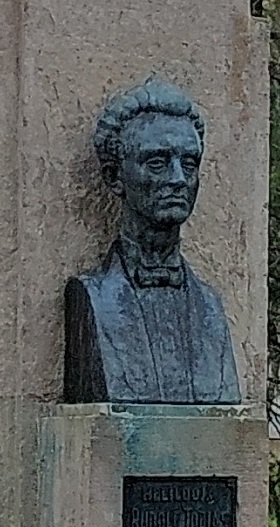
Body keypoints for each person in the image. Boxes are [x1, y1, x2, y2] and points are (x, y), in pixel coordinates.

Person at [63, 79, 241, 404]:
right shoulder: (91, 298)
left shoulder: (210, 307)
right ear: (115, 176)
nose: (177, 179)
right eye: (157, 163)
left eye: (189, 164)